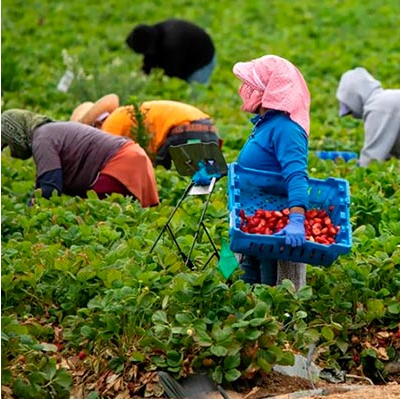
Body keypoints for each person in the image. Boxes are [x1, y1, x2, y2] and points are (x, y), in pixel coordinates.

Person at [232, 54, 311, 288]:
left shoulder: (287, 129)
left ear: (271, 90)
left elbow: (296, 175)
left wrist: (296, 219)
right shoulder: (266, 124)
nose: (246, 90)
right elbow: (260, 167)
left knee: (270, 290)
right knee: (246, 287)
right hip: (252, 222)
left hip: (274, 226)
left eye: (253, 86)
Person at [1, 109, 159, 207]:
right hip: (132, 157)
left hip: (121, 163)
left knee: (97, 215)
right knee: (125, 216)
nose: (11, 150)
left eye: (7, 143)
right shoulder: (49, 131)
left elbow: (50, 185)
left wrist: (28, 215)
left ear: (16, 133)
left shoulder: (42, 139)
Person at [70, 94, 222, 169]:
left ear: (94, 124)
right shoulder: (124, 114)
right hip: (206, 127)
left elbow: (106, 157)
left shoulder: (111, 123)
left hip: (184, 132)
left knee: (162, 173)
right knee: (206, 178)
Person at [126, 19, 216, 84]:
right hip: (185, 54)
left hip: (202, 62)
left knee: (193, 100)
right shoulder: (154, 33)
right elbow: (149, 59)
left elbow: (173, 75)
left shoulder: (171, 44)